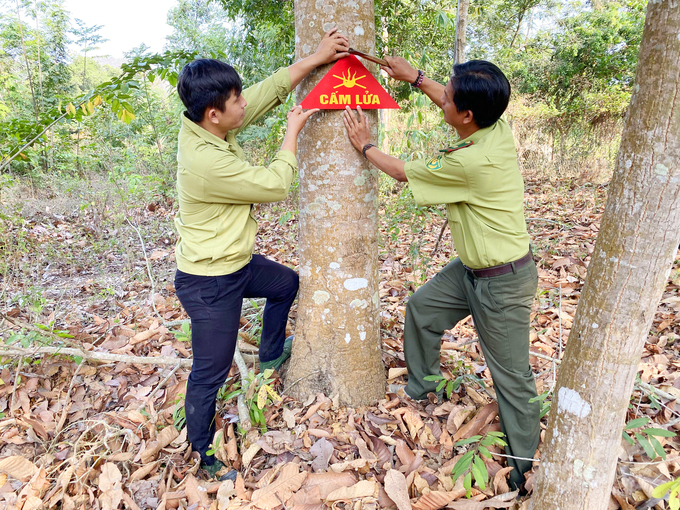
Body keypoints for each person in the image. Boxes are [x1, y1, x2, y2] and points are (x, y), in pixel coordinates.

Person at [343, 58, 540, 491]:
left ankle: (528, 471)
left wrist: (364, 145)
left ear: (466, 116)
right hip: (472, 270)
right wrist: (413, 77)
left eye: (448, 98)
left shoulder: (471, 162)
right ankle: (423, 385)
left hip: (502, 282)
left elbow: (399, 172)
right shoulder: (494, 127)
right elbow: (445, 97)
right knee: (422, 308)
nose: (442, 98)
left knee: (511, 378)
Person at [174, 29, 349, 478]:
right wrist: (292, 132)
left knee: (286, 283)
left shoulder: (203, 120)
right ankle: (202, 454)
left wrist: (315, 58)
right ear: (215, 114)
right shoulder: (207, 161)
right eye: (235, 101)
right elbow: (274, 184)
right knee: (210, 372)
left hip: (236, 263)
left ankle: (271, 353)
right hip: (210, 281)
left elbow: (265, 92)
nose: (243, 105)